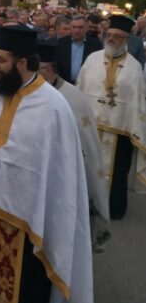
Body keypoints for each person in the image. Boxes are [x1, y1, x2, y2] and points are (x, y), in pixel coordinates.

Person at [0, 27, 93, 303]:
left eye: (1, 60)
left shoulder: (54, 107)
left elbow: (61, 175)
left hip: (29, 225)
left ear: (23, 63)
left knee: (25, 295)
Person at [37, 40, 110, 250]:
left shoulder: (73, 98)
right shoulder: (30, 92)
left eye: (36, 71)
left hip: (65, 173)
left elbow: (86, 146)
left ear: (48, 70)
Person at [77, 14, 146, 220]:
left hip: (120, 129)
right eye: (109, 35)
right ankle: (87, 203)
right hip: (91, 126)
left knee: (118, 171)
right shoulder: (92, 59)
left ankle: (114, 208)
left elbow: (137, 100)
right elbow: (81, 88)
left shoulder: (134, 67)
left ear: (126, 39)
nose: (111, 39)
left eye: (117, 36)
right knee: (87, 166)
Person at [56, 14, 102, 84]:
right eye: (74, 27)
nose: (77, 30)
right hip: (64, 84)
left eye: (80, 27)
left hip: (85, 84)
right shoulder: (60, 43)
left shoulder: (96, 45)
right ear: (70, 28)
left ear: (86, 28)